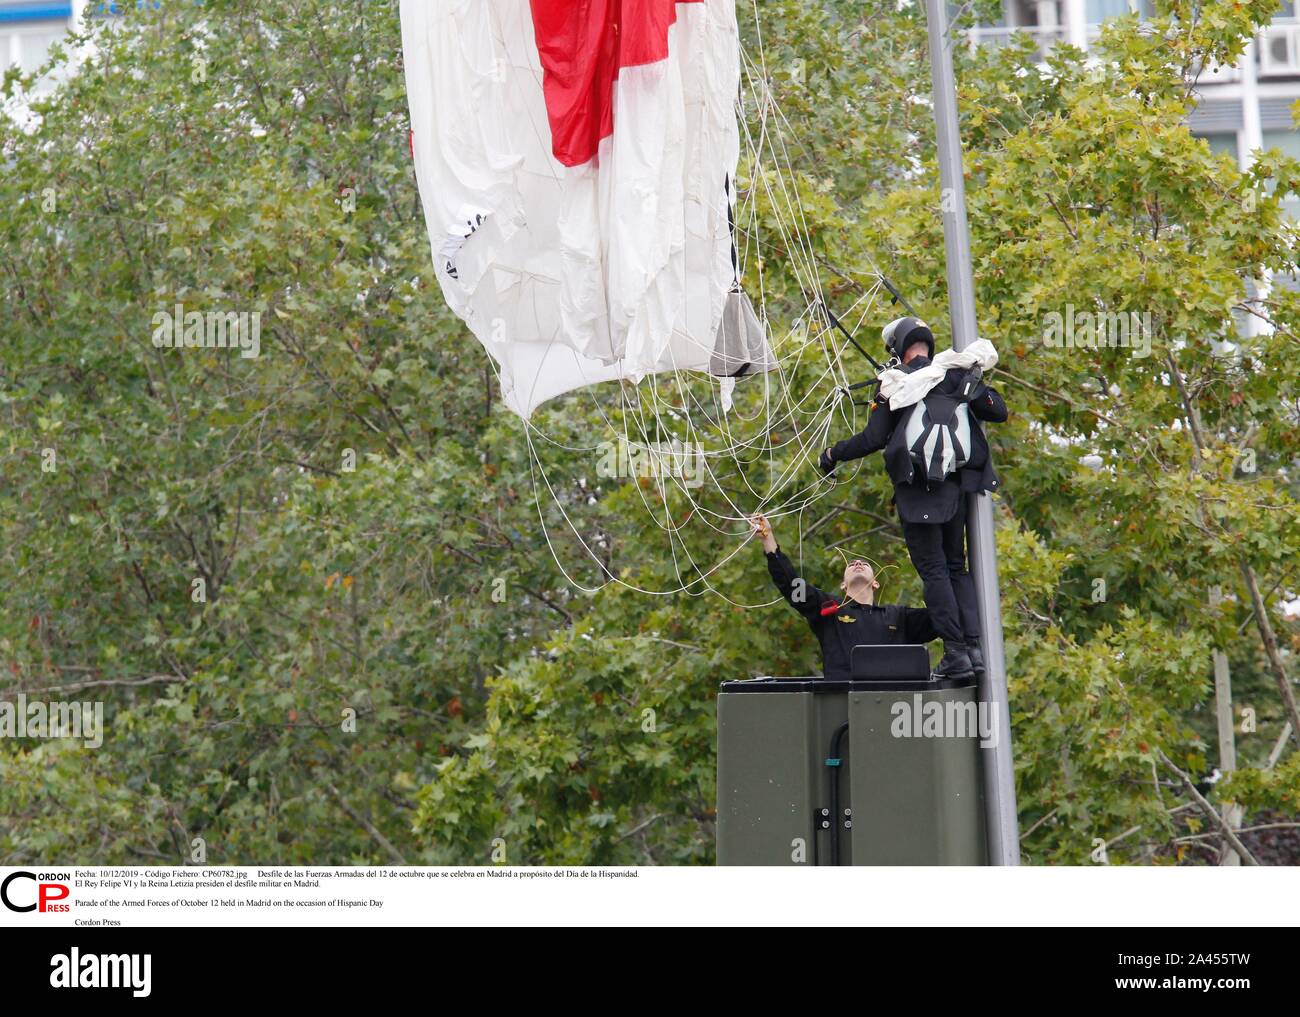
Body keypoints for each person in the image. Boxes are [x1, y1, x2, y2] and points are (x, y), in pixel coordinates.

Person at [817, 316, 1007, 680]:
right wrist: (972, 382)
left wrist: (832, 454)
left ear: (897, 351)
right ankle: (973, 650)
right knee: (956, 567)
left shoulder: (898, 384)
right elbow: (998, 411)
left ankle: (955, 652)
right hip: (955, 490)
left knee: (934, 570)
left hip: (917, 491)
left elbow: (872, 439)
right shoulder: (952, 374)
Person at [750, 512, 937, 681]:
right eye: (851, 564)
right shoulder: (829, 608)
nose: (857, 563)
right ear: (843, 584)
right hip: (841, 702)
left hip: (892, 705)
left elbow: (942, 616)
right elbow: (792, 587)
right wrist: (768, 540)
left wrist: (928, 565)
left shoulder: (898, 616)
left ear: (875, 583)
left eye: (863, 563)